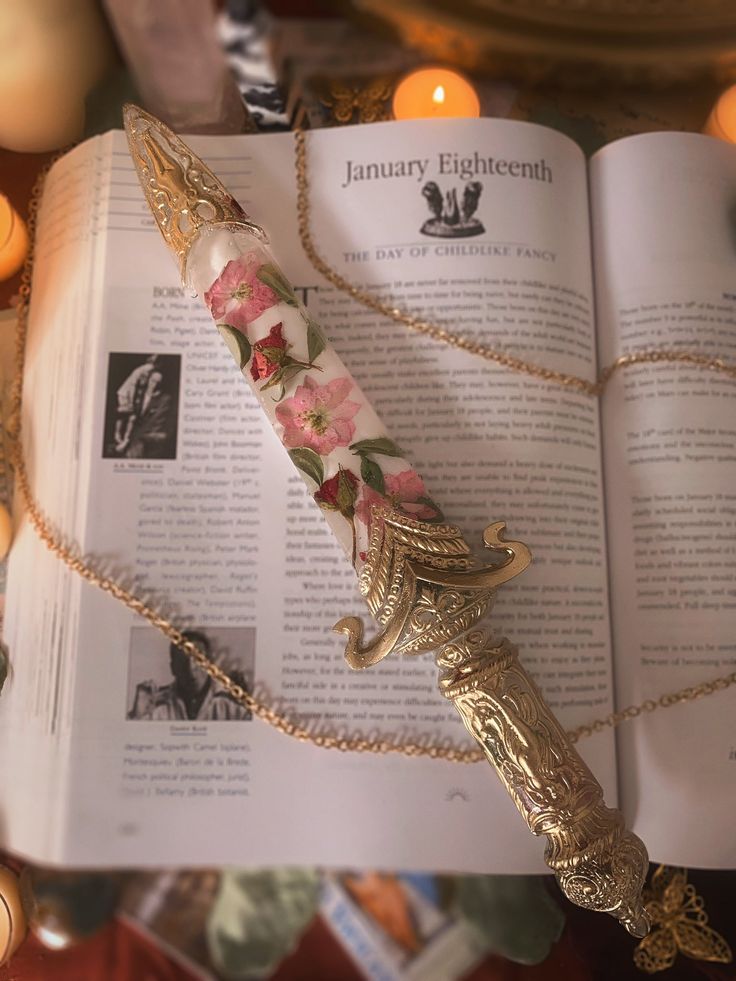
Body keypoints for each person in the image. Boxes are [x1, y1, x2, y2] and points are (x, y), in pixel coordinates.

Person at [128, 630, 251, 721]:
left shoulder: (231, 703)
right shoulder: (155, 706)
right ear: (173, 668)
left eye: (198, 660)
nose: (191, 669)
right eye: (182, 661)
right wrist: (137, 715)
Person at [113, 354, 159, 454]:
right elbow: (133, 386)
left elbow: (140, 386)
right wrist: (131, 401)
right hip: (126, 393)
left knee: (130, 416)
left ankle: (123, 437)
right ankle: (120, 435)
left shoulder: (144, 370)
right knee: (125, 415)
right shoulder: (146, 369)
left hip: (128, 394)